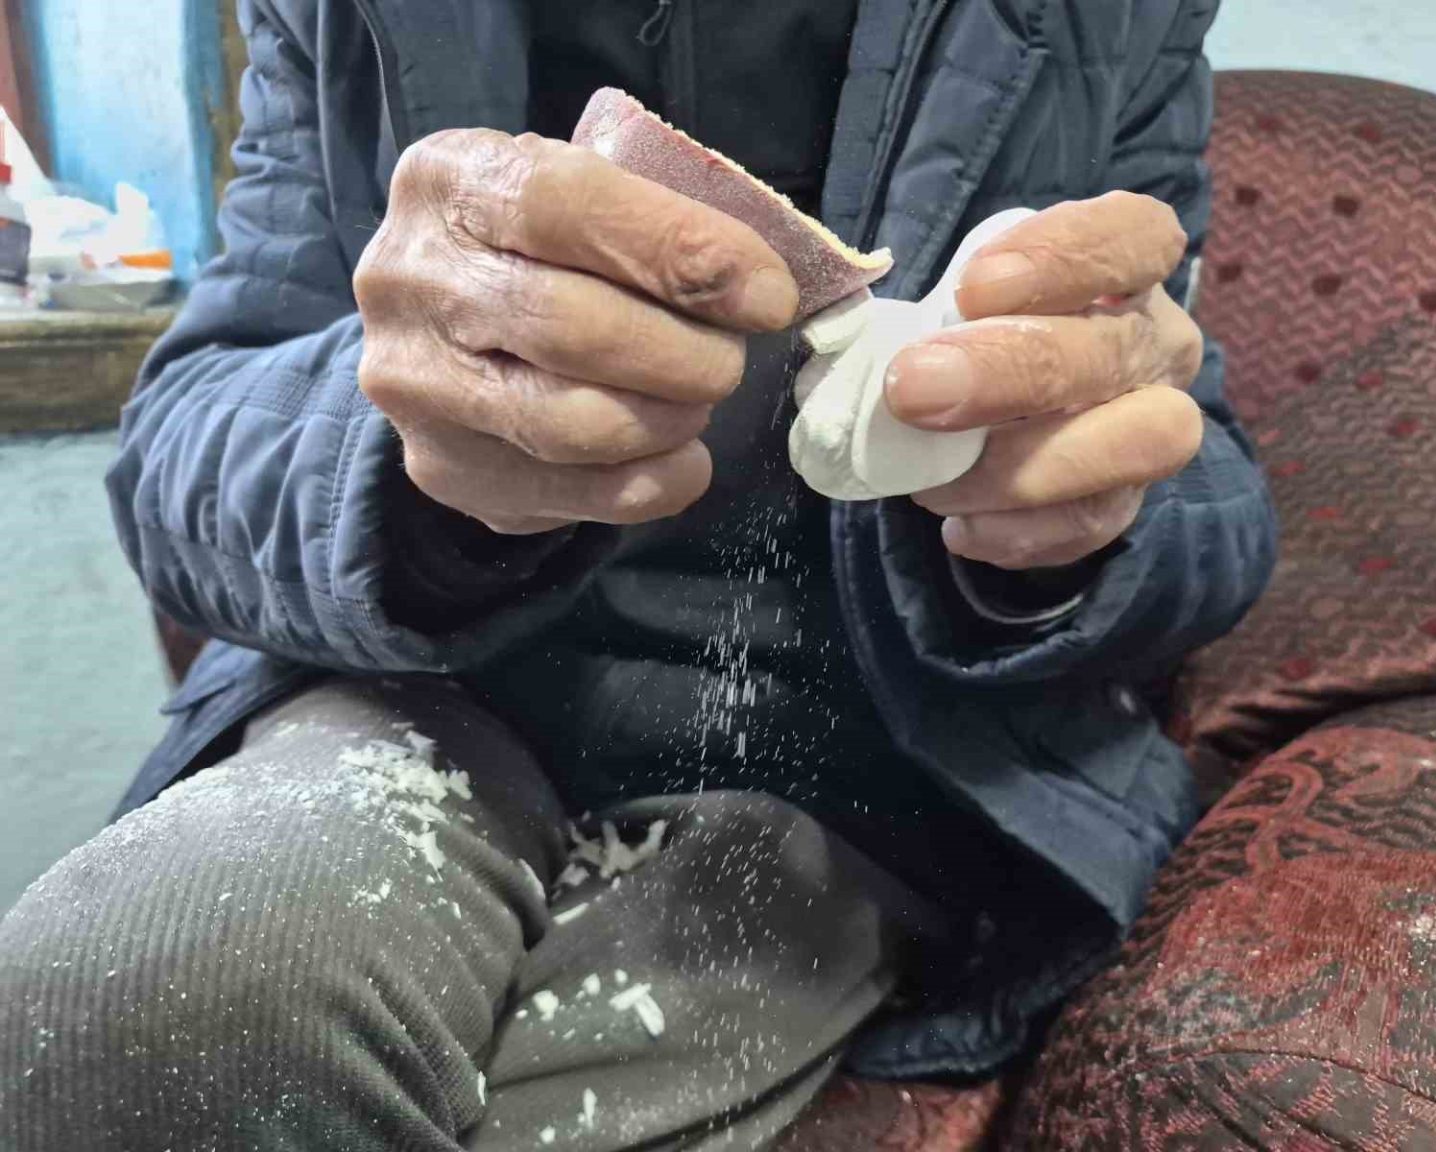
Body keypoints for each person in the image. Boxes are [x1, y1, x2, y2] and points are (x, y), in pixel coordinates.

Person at [0, 0, 1276, 1148]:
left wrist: (1071, 522)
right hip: (410, 700)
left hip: (868, 764)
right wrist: (393, 446)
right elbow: (173, 466)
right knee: (127, 994)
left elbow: (1208, 501)